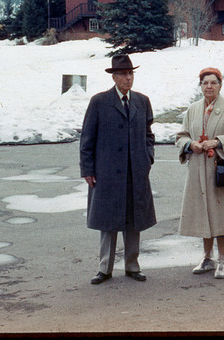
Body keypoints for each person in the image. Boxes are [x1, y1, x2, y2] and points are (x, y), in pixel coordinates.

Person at [80, 54, 156, 284]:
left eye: (130, 73)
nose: (127, 78)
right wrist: (88, 169)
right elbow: (87, 139)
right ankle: (105, 268)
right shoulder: (99, 102)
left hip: (136, 171)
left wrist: (147, 157)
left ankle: (133, 266)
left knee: (134, 219)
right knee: (108, 220)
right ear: (113, 77)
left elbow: (149, 135)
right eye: (123, 74)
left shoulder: (142, 101)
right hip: (107, 173)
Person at [176, 67, 224, 279]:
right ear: (200, 86)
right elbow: (181, 136)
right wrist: (190, 144)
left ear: (220, 85)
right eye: (205, 83)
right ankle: (207, 257)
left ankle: (222, 260)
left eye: (213, 83)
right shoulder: (192, 110)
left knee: (222, 215)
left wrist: (218, 142)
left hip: (222, 170)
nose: (209, 87)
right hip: (198, 169)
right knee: (202, 213)